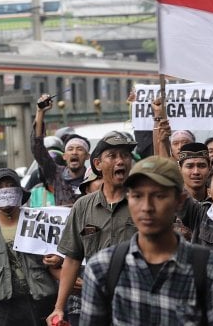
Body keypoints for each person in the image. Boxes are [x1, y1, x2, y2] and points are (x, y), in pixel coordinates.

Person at [80, 156, 213, 325]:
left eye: (159, 196)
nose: (147, 207)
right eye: (137, 196)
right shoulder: (102, 268)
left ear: (179, 202)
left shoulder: (210, 269)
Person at [46, 131, 138, 325]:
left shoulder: (143, 202)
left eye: (125, 155)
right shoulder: (82, 206)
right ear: (97, 164)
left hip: (136, 302)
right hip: (95, 303)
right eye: (112, 156)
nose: (120, 161)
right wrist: (59, 307)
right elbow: (72, 258)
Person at [0, 168, 58, 326]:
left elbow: (57, 261)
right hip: (2, 307)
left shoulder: (39, 221)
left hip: (41, 301)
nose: (5, 191)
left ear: (19, 193)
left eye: (10, 186)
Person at [33, 93, 91, 207]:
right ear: (64, 156)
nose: (74, 152)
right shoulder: (56, 174)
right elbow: (38, 148)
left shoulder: (92, 179)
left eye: (79, 149)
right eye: (70, 149)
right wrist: (40, 112)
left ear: (87, 156)